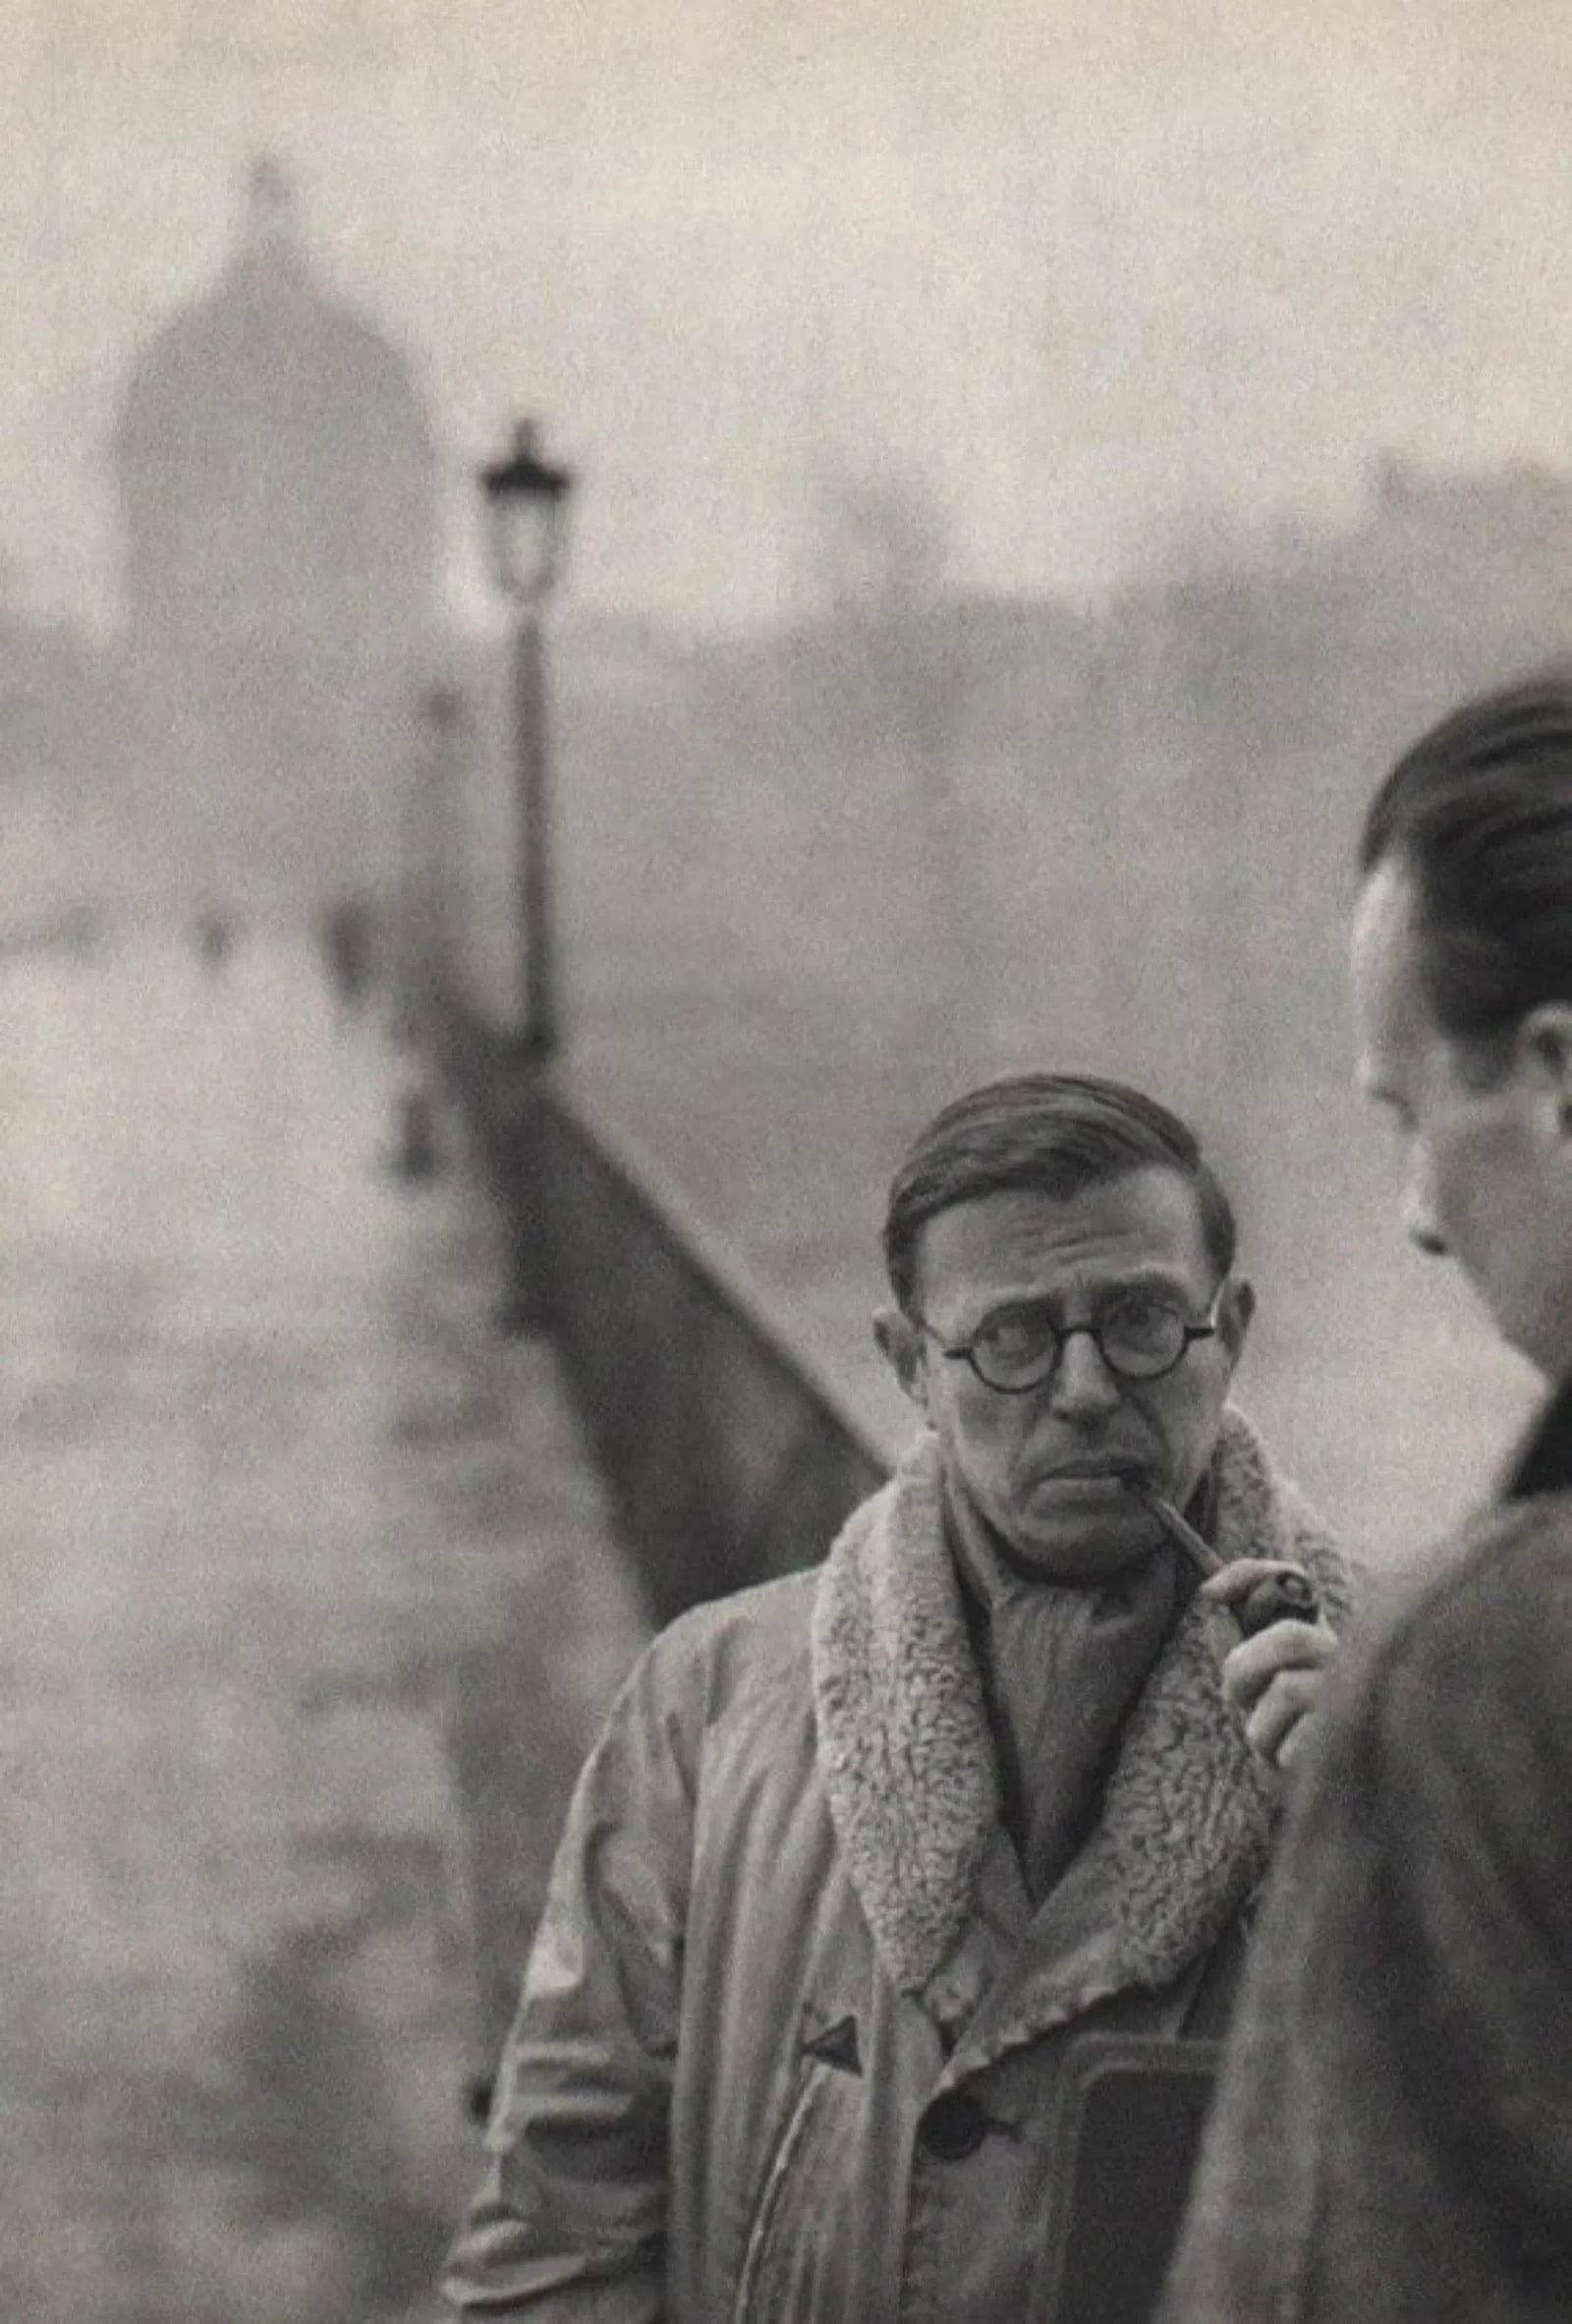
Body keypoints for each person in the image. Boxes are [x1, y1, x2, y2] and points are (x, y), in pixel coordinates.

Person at [441, 1074, 1353, 2322]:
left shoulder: (1405, 1721)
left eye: (1142, 1320)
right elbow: (559, 2233)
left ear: (1230, 1329)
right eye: (1013, 1340)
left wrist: (1392, 1841)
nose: (1086, 1389)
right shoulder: (706, 1707)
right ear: (908, 1365)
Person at [1161, 679, 1572, 2321]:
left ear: (1554, 1075)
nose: (1410, 1217)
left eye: (1409, 1117)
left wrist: (1423, 1786)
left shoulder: (1481, 1671)